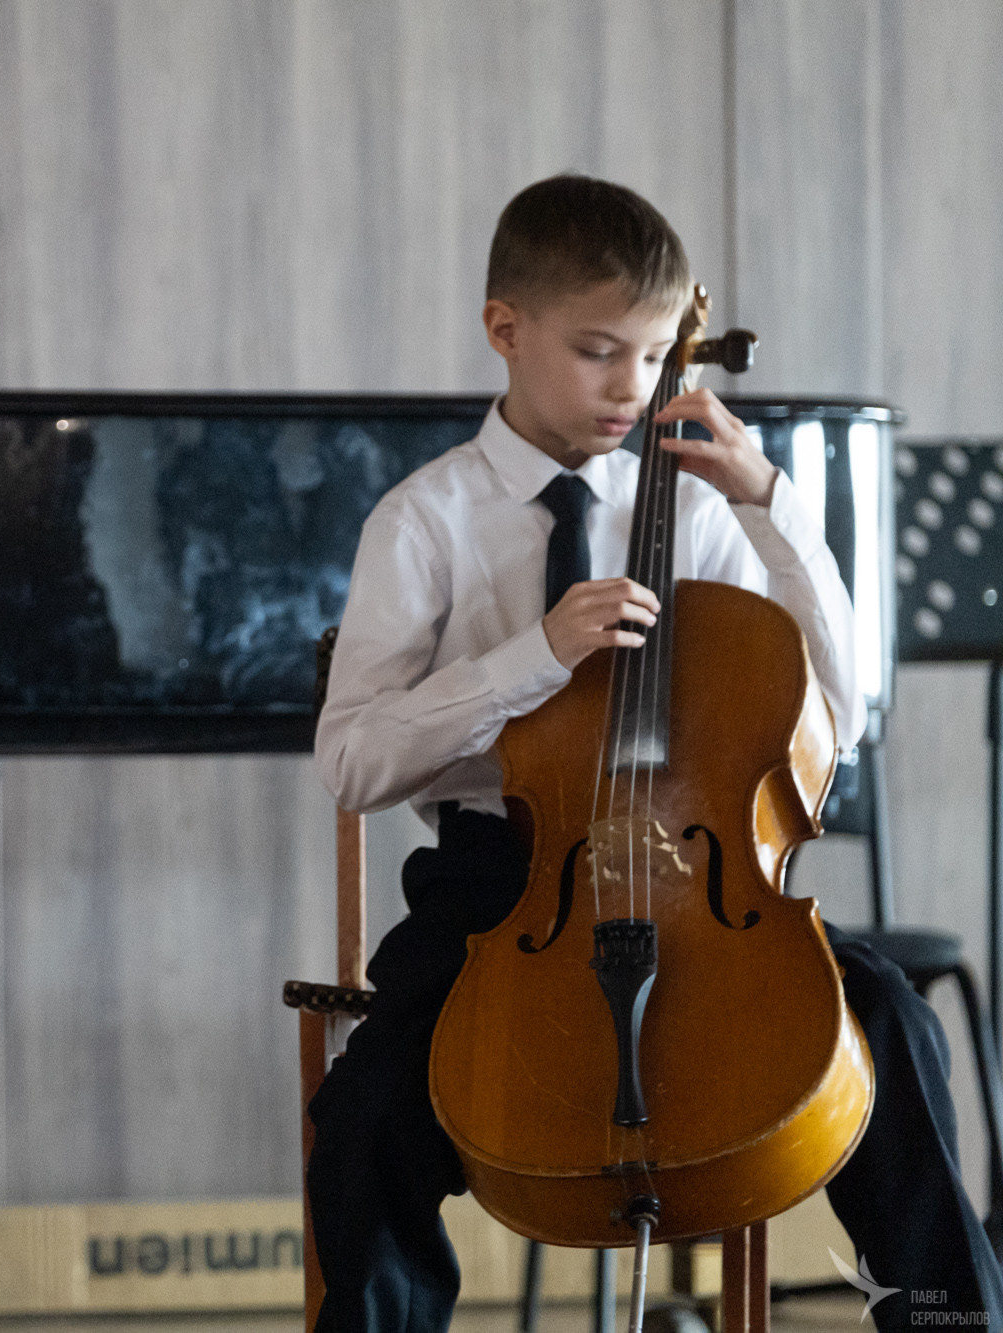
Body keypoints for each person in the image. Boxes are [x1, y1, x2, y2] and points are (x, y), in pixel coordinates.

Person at [307, 174, 1003, 1332]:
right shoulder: (421, 521)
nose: (629, 387)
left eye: (646, 355)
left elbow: (829, 710)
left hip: (700, 877)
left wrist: (773, 507)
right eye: (594, 351)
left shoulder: (699, 506)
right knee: (365, 1112)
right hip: (499, 888)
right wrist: (529, 656)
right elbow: (353, 763)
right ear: (504, 329)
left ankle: (948, 1320)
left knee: (880, 1019)